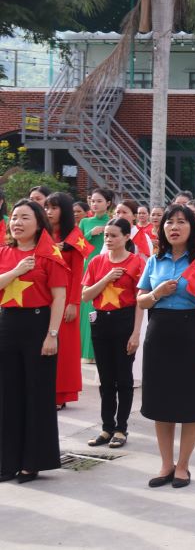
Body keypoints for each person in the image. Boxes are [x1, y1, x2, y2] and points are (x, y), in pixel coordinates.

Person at [137, 203, 195, 489]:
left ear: (192, 227)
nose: (174, 227)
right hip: (159, 331)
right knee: (161, 402)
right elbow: (140, 301)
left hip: (192, 333)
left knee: (190, 402)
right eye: (169, 222)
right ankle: (165, 464)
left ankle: (183, 466)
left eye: (181, 222)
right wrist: (157, 293)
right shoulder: (155, 259)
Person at [0, 199, 69, 483]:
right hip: (7, 324)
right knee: (7, 396)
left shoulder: (49, 255)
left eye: (24, 217)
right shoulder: (4, 252)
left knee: (37, 394)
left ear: (39, 222)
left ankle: (33, 461)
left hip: (39, 326)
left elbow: (60, 297)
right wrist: (17, 271)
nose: (17, 223)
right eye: (14, 217)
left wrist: (52, 334)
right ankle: (7, 460)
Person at [81, 218, 144, 449]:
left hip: (124, 320)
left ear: (127, 237)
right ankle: (107, 427)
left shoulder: (137, 263)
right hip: (100, 321)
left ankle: (121, 428)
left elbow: (140, 301)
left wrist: (136, 332)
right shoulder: (97, 262)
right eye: (106, 235)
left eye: (114, 235)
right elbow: (86, 295)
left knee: (124, 378)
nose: (108, 239)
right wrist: (106, 278)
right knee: (105, 379)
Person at [43, 192, 85, 409]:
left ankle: (60, 395)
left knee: (64, 348)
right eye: (47, 207)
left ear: (65, 211)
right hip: (43, 296)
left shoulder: (74, 235)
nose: (49, 212)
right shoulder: (43, 232)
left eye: (54, 208)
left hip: (66, 298)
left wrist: (73, 303)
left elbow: (78, 273)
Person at [79, 188, 114, 361]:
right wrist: (90, 233)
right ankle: (86, 353)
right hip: (88, 266)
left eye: (99, 201)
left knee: (100, 307)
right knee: (86, 308)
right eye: (92, 201)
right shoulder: (85, 222)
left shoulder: (113, 222)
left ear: (108, 203)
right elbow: (78, 245)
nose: (95, 204)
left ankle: (98, 352)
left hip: (106, 267)